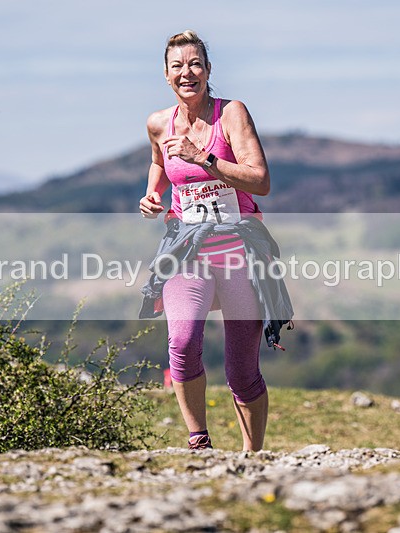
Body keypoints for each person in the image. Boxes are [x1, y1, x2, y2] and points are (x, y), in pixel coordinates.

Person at [139, 30, 275, 452]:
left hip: (239, 250)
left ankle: (253, 457)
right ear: (166, 75)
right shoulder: (158, 123)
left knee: (241, 371)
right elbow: (159, 160)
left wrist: (206, 159)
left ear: (209, 70)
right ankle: (199, 443)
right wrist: (152, 194)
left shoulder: (231, 114)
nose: (187, 73)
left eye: (195, 64)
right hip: (187, 249)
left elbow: (261, 181)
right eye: (177, 66)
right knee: (182, 343)